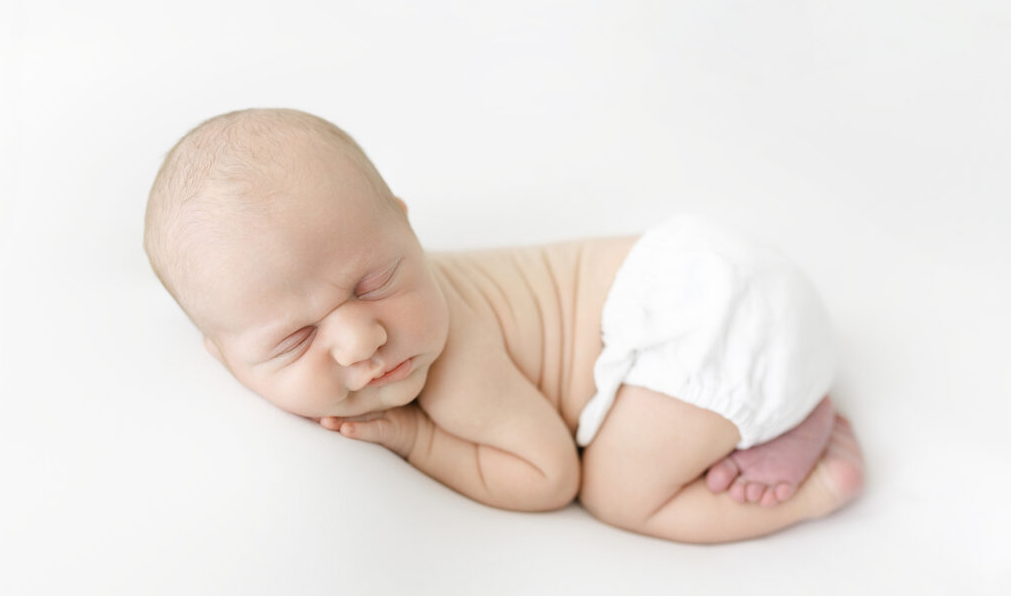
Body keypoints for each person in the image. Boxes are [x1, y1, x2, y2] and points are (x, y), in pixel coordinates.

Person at [143, 107, 864, 544]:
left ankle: (820, 483)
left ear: (405, 227)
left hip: (713, 323)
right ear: (223, 356)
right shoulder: (401, 294)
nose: (363, 339)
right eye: (296, 338)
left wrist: (417, 437)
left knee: (617, 494)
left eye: (375, 282)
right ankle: (776, 408)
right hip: (719, 282)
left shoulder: (454, 363)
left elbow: (549, 476)